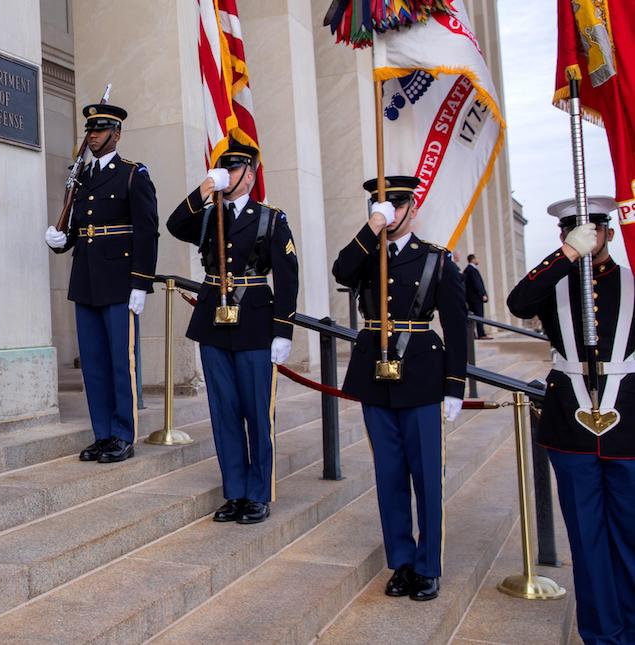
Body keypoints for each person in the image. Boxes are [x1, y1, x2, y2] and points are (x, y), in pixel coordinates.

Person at [331, 176, 467, 602]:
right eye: (382, 207)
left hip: (422, 374)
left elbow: (458, 328)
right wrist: (372, 227)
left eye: (396, 207)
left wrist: (454, 387)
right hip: (375, 373)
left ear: (413, 210)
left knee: (427, 476)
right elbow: (340, 270)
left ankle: (428, 565)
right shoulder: (366, 255)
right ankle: (402, 562)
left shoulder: (436, 260)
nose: (390, 213)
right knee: (389, 475)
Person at [506, 196, 635, 644]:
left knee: (631, 536)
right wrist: (566, 256)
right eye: (573, 232)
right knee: (587, 541)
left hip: (629, 425)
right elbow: (517, 301)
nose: (585, 237)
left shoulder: (632, 279)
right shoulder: (555, 281)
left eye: (595, 231)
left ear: (610, 234)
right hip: (571, 427)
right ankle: (603, 635)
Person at [165, 139, 298, 525]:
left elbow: (288, 278)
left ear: (250, 175)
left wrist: (283, 331)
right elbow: (175, 225)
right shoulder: (209, 215)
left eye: (235, 169)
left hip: (255, 322)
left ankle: (258, 493)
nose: (227, 175)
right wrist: (204, 189)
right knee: (224, 412)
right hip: (213, 322)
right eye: (224, 169)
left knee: (257, 413)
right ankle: (235, 491)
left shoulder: (271, 218)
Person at [44, 103, 159, 464]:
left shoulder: (132, 175)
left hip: (120, 280)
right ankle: (103, 434)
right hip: (87, 279)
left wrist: (141, 282)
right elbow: (81, 226)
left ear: (116, 134)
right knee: (93, 363)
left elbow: (147, 231)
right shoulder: (81, 176)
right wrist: (63, 240)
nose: (92, 136)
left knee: (120, 362)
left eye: (100, 130)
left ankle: (124, 434)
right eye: (90, 131)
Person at [463, 254, 491, 339]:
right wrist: (482, 294)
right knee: (479, 316)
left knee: (472, 317)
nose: (478, 260)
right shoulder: (472, 270)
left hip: (470, 298)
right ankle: (481, 334)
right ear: (473, 259)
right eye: (477, 258)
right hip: (476, 298)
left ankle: (472, 335)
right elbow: (477, 283)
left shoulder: (467, 270)